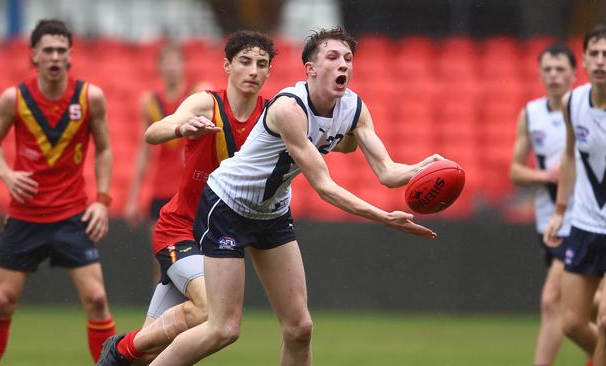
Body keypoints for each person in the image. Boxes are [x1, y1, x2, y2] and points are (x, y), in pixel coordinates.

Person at [147, 27, 440, 366]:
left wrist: (424, 167)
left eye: (348, 58)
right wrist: (384, 217)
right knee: (223, 328)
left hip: (271, 213)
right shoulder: (289, 108)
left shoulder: (355, 108)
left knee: (300, 327)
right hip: (227, 205)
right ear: (310, 69)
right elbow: (325, 187)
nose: (342, 64)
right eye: (332, 57)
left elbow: (388, 172)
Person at [98, 30, 279, 365]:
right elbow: (153, 132)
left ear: (269, 72)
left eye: (262, 64)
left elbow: (328, 140)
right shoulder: (205, 103)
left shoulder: (273, 116)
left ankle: (130, 351)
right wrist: (183, 128)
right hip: (181, 229)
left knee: (156, 352)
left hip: (220, 237)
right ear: (227, 65)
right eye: (245, 61)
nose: (253, 70)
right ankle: (122, 348)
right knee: (213, 313)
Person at [0, 19, 115, 364]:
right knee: (2, 302)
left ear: (70, 55)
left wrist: (102, 201)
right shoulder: (15, 98)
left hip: (72, 215)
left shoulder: (90, 97)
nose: (55, 57)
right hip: (25, 215)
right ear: (34, 56)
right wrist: (7, 175)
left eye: (61, 50)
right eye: (48, 51)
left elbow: (103, 149)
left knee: (98, 299)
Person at [544, 24, 606, 366]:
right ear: (582, 59)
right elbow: (568, 156)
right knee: (572, 324)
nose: (599, 61)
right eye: (593, 54)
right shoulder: (573, 102)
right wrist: (560, 210)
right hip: (583, 227)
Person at [509, 43, 576, 366]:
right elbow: (515, 171)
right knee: (584, 307)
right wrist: (544, 175)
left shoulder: (586, 111)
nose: (553, 75)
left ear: (574, 74)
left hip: (582, 220)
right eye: (547, 69)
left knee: (552, 301)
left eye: (560, 69)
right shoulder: (531, 113)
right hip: (549, 220)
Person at [124, 43, 212, 284]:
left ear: (184, 65)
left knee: (199, 258)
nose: (172, 68)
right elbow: (144, 151)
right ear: (159, 67)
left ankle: (198, 316)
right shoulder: (150, 102)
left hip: (193, 189)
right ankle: (162, 317)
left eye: (176, 62)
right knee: (162, 260)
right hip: (161, 189)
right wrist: (133, 198)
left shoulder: (199, 95)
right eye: (167, 62)